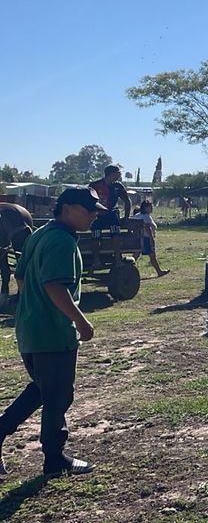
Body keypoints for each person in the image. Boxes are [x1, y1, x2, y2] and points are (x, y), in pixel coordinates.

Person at [0, 188, 102, 478]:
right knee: (58, 396)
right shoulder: (61, 240)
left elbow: (20, 275)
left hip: (30, 329)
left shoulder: (40, 233)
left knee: (43, 389)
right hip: (52, 332)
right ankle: (54, 459)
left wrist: (33, 305)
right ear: (67, 208)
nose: (94, 215)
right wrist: (81, 322)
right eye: (88, 209)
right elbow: (55, 287)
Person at [87, 165, 130, 231]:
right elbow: (88, 201)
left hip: (112, 214)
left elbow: (127, 201)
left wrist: (126, 216)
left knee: (116, 234)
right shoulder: (95, 185)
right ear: (112, 174)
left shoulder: (118, 186)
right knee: (96, 236)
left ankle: (116, 240)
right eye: (118, 173)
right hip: (97, 215)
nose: (120, 175)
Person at [132, 200, 169, 277]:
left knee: (135, 256)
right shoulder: (146, 217)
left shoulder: (137, 216)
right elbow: (148, 229)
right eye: (150, 207)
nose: (152, 208)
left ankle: (127, 269)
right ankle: (159, 272)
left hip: (138, 239)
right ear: (146, 208)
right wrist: (151, 239)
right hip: (146, 239)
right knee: (152, 256)